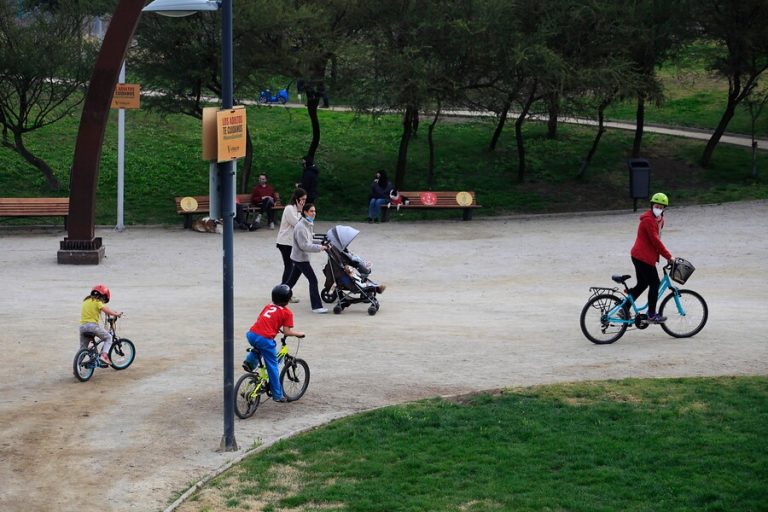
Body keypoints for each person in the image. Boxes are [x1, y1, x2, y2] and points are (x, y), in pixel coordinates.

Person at [242, 284, 305, 403]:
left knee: (259, 346)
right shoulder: (287, 313)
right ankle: (277, 394)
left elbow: (263, 319)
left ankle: (249, 362)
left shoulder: (268, 306)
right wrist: (298, 334)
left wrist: (275, 327)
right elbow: (287, 331)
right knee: (273, 366)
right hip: (265, 339)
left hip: (252, 334)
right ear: (288, 300)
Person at [628, 192, 673, 324]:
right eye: (656, 205)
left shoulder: (659, 220)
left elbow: (657, 240)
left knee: (642, 284)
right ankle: (651, 314)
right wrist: (669, 256)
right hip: (642, 257)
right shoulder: (648, 220)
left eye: (661, 207)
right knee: (655, 284)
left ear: (665, 209)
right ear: (652, 205)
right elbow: (655, 241)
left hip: (641, 256)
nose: (658, 208)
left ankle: (624, 308)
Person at [285, 202, 328, 313]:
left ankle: (278, 297)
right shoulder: (301, 227)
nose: (314, 213)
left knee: (291, 281)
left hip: (300, 257)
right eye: (311, 211)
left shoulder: (308, 224)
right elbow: (304, 245)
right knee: (313, 280)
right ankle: (316, 307)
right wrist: (320, 247)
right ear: (305, 212)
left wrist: (322, 242)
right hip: (300, 258)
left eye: (314, 211)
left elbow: (309, 240)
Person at [79, 284, 123, 365]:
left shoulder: (86, 301)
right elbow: (106, 310)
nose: (103, 301)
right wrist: (116, 314)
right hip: (92, 326)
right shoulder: (97, 302)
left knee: (83, 348)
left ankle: (77, 365)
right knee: (108, 337)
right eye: (104, 299)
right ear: (103, 296)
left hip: (82, 327)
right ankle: (104, 356)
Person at [276, 187, 306, 303]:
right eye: (302, 199)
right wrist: (300, 211)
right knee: (289, 267)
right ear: (297, 199)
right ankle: (284, 293)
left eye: (305, 199)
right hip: (285, 242)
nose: (304, 202)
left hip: (291, 243)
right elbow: (298, 224)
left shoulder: (297, 210)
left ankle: (284, 291)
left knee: (291, 267)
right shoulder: (289, 209)